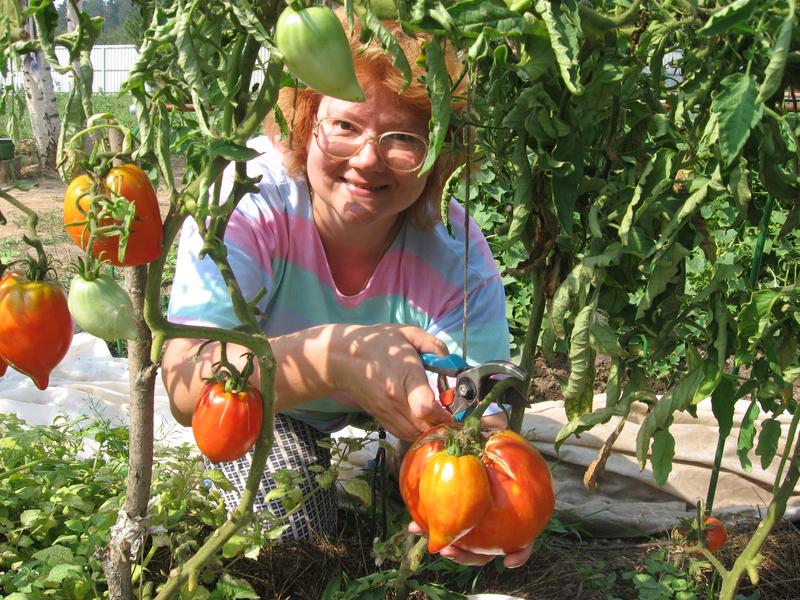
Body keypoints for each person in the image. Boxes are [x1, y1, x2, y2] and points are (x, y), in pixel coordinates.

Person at [160, 14, 533, 568]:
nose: (367, 158)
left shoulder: (457, 257)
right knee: (295, 525)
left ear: (437, 158)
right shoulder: (246, 202)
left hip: (402, 412)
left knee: (428, 529)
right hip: (274, 407)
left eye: (404, 140)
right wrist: (336, 358)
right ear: (302, 123)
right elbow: (185, 384)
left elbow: (476, 407)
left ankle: (390, 465)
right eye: (343, 125)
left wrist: (499, 501)